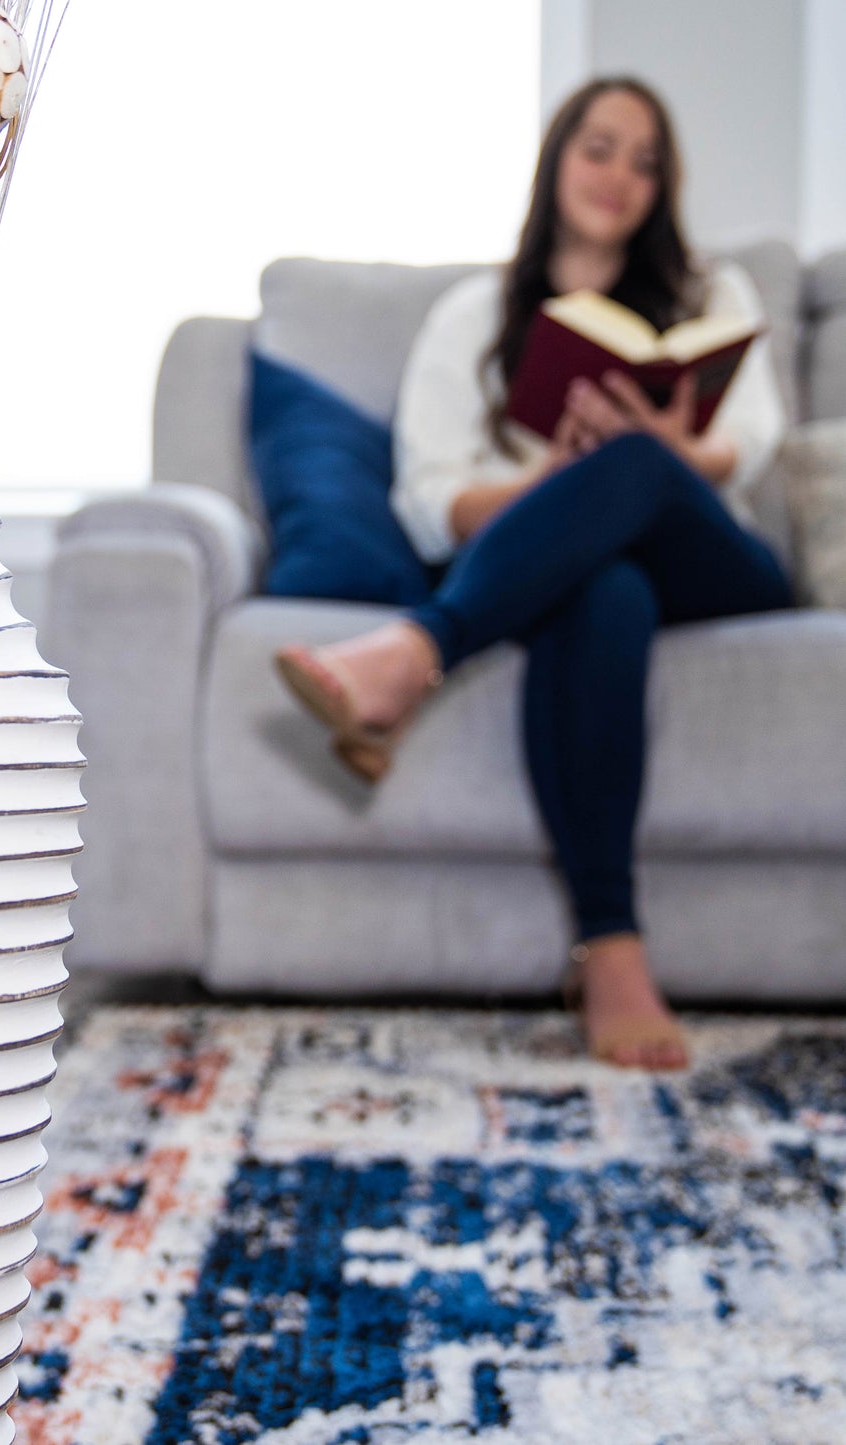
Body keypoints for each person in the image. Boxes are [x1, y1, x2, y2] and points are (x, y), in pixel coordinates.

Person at [274, 77, 792, 1072]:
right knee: (602, 587)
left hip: (711, 560)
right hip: (583, 568)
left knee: (636, 465)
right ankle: (610, 947)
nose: (619, 176)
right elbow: (429, 495)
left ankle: (414, 650)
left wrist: (664, 452)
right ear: (557, 156)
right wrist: (554, 486)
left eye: (645, 161)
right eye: (599, 146)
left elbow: (753, 441)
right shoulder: (474, 313)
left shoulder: (708, 292)